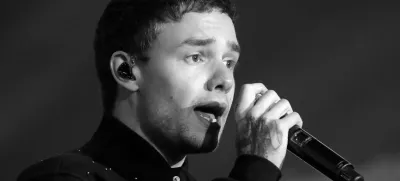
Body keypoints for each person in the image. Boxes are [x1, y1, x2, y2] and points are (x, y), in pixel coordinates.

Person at [17, 0, 303, 181]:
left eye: (229, 62)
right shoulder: (64, 177)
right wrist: (255, 170)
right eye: (196, 57)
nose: (225, 80)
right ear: (126, 71)